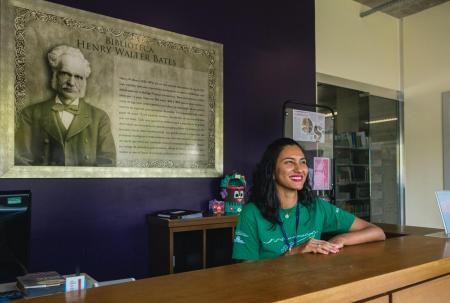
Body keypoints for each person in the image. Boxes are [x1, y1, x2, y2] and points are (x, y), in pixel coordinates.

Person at [232, 137, 385, 261]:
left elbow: (377, 232)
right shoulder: (251, 213)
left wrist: (339, 240)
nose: (299, 169)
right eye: (289, 162)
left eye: (303, 162)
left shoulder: (316, 206)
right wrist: (293, 253)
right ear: (272, 171)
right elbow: (247, 273)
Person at [15, 45, 116, 166]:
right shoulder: (30, 114)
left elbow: (107, 165)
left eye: (78, 77)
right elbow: (21, 162)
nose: (71, 83)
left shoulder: (100, 118)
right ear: (55, 75)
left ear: (84, 81)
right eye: (65, 74)